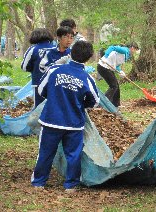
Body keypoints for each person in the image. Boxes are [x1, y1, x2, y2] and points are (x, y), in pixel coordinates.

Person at [31, 40, 100, 192]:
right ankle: (71, 185)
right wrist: (81, 104)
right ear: (88, 58)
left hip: (50, 121)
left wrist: (55, 97)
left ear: (71, 52)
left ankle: (38, 183)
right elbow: (94, 102)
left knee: (46, 152)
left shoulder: (54, 70)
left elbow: (41, 90)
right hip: (74, 123)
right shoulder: (88, 78)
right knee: (73, 154)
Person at [97, 42, 139, 108]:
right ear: (132, 48)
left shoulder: (127, 55)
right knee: (113, 86)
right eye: (135, 49)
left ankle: (115, 104)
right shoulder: (125, 50)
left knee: (116, 85)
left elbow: (117, 65)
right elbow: (112, 47)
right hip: (103, 66)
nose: (135, 52)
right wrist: (105, 57)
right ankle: (102, 104)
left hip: (107, 68)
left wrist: (120, 71)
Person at [21, 28, 54, 108]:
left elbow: (24, 67)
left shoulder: (33, 49)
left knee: (39, 108)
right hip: (55, 83)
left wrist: (34, 69)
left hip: (38, 84)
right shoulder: (56, 48)